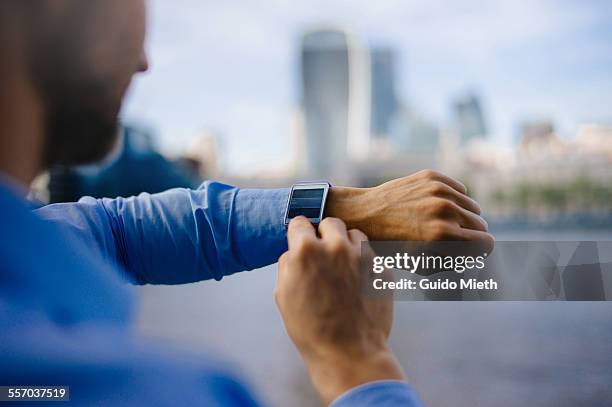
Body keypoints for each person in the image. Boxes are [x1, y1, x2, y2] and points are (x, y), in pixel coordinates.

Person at [0, 0, 493, 405]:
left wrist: (347, 207)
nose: (144, 61)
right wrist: (356, 363)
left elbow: (119, 232)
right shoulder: (171, 394)